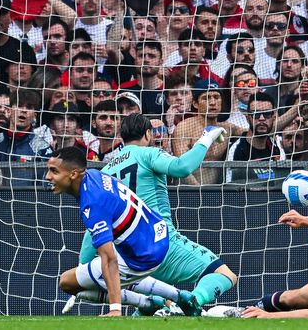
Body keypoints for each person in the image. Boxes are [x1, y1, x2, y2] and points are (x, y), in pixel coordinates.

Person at [77, 114, 236, 316]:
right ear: (148, 134)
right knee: (224, 274)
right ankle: (188, 304)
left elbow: (95, 226)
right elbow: (182, 168)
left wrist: (83, 265)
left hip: (129, 256)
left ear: (121, 137)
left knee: (151, 308)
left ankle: (158, 307)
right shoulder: (148, 153)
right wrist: (206, 137)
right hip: (160, 242)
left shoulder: (105, 173)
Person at [47, 147, 179, 317]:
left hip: (143, 255)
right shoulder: (94, 174)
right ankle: (179, 297)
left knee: (68, 283)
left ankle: (146, 303)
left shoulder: (92, 204)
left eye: (54, 171)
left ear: (73, 174)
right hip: (157, 234)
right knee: (109, 274)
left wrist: (115, 309)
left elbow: (109, 259)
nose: (48, 177)